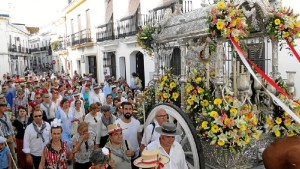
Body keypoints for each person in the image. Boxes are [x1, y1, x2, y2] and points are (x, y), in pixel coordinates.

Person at [116, 102, 141, 169]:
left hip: (136, 155)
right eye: (126, 109)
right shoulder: (117, 123)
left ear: (132, 110)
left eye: (130, 109)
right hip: (123, 157)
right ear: (122, 110)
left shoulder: (137, 123)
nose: (128, 111)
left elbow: (139, 138)